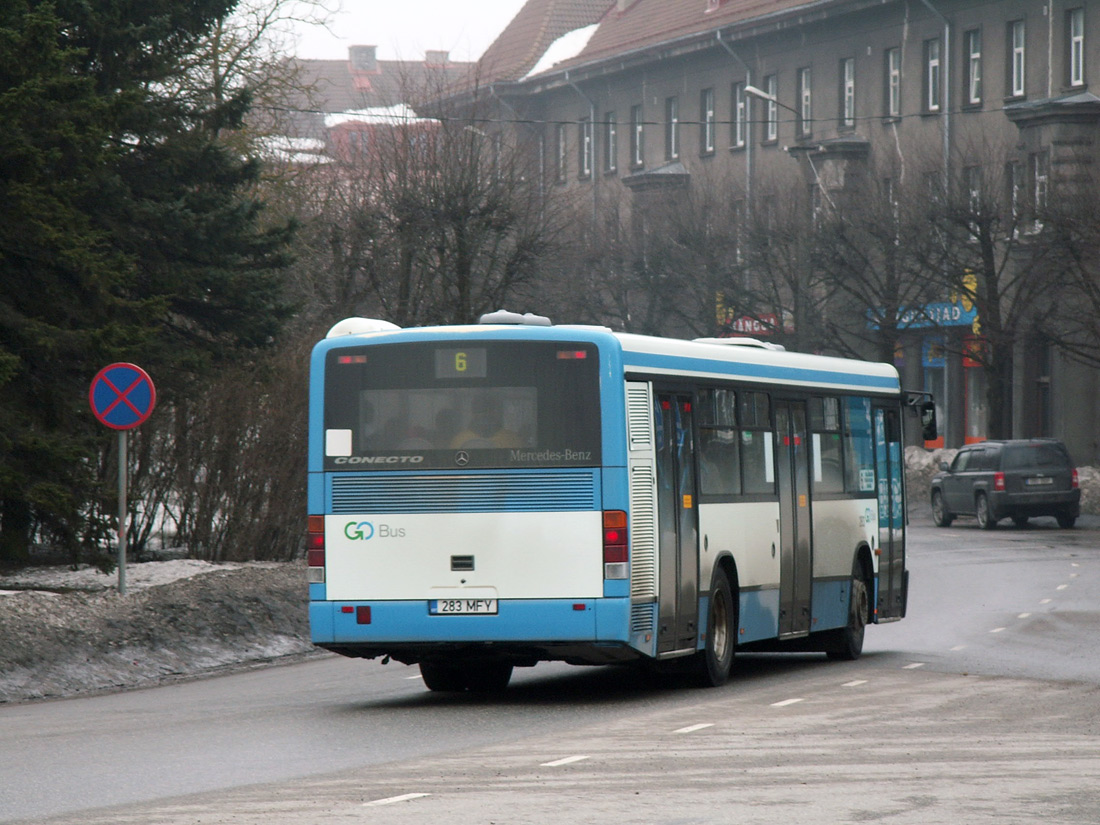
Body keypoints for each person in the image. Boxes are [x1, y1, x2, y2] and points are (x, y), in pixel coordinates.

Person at [450, 395, 522, 448]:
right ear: (495, 412)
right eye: (481, 413)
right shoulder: (511, 439)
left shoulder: (459, 440)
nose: (484, 421)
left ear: (472, 413)